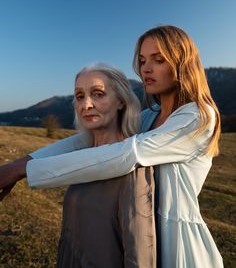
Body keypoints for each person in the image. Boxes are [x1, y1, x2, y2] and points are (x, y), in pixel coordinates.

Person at [0, 25, 224, 268]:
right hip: (142, 230)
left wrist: (25, 171)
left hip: (177, 242)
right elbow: (83, 142)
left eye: (158, 60)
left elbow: (127, 154)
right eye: (142, 60)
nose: (145, 68)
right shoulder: (150, 116)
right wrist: (20, 164)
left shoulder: (198, 117)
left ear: (183, 63)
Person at [0, 63, 156, 268]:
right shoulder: (80, 158)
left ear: (120, 101)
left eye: (98, 94)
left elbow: (140, 257)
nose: (86, 105)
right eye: (80, 96)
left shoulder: (132, 168)